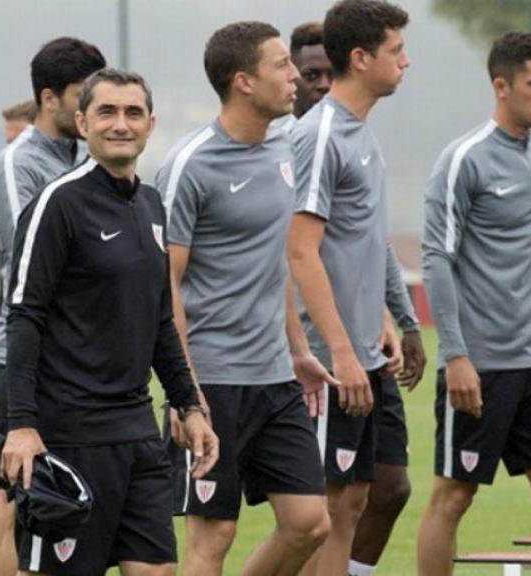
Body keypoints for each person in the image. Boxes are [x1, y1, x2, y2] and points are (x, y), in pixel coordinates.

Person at [0, 68, 218, 576]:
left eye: (133, 112)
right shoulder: (59, 204)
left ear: (150, 123)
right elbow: (24, 317)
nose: (121, 123)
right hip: (69, 437)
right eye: (107, 112)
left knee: (159, 570)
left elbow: (160, 318)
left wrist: (188, 402)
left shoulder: (151, 204)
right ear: (82, 122)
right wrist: (22, 426)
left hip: (138, 433)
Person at [155, 21, 332, 576]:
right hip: (212, 382)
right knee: (213, 539)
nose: (295, 74)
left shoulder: (284, 150)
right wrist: (185, 394)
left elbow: (271, 261)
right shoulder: (189, 166)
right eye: (281, 65)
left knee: (309, 523)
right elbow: (167, 289)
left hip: (275, 377)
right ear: (243, 82)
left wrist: (298, 348)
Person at [418, 32, 531, 576]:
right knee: (454, 496)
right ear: (501, 86)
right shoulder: (463, 159)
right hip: (480, 367)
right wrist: (456, 355)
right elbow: (437, 259)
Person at [288, 20, 427, 576]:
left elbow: (365, 243)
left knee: (351, 503)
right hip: (329, 359)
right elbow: (300, 252)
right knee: (322, 512)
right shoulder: (320, 136)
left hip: (363, 353)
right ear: (363, 57)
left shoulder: (360, 133)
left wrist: (395, 319)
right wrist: (341, 353)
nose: (406, 61)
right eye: (397, 50)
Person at [0, 37, 105, 576]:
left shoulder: (85, 156)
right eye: (82, 96)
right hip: (28, 356)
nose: (91, 107)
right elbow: (25, 266)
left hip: (80, 357)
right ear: (49, 98)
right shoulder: (15, 166)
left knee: (50, 493)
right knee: (22, 491)